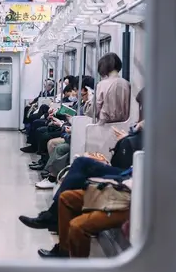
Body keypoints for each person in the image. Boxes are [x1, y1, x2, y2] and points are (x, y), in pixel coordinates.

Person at [19, 89, 144, 233]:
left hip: (132, 176)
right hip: (130, 171)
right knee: (81, 162)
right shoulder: (141, 128)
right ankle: (52, 216)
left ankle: (51, 215)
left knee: (80, 165)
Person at [85, 53, 130, 124]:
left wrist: (89, 100)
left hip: (105, 127)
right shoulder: (127, 84)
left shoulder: (101, 85)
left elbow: (94, 111)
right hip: (125, 127)